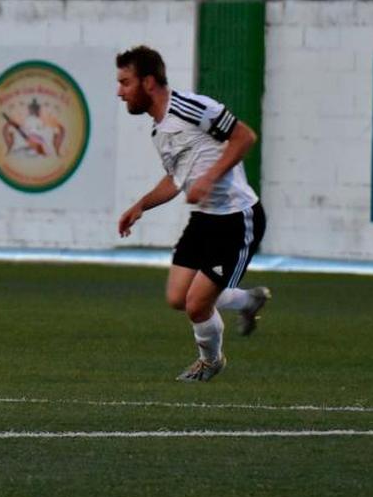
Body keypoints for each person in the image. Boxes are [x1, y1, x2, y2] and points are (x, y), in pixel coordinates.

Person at [116, 45, 271, 382]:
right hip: (204, 218)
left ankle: (211, 362)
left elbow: (244, 136)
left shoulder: (192, 107)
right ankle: (247, 301)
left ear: (149, 82)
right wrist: (140, 205)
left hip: (236, 217)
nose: (120, 92)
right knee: (177, 297)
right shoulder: (159, 130)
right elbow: (176, 180)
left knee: (197, 304)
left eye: (125, 83)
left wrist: (209, 178)